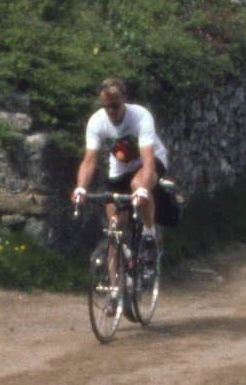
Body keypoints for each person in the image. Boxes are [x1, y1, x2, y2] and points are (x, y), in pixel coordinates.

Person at [71, 77, 178, 257]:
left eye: (115, 106)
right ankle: (118, 282)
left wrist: (143, 188)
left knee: (138, 185)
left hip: (150, 161)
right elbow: (89, 161)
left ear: (125, 100)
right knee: (115, 228)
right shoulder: (96, 122)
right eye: (106, 106)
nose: (111, 111)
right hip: (120, 168)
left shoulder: (139, 116)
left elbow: (148, 157)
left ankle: (150, 233)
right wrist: (81, 187)